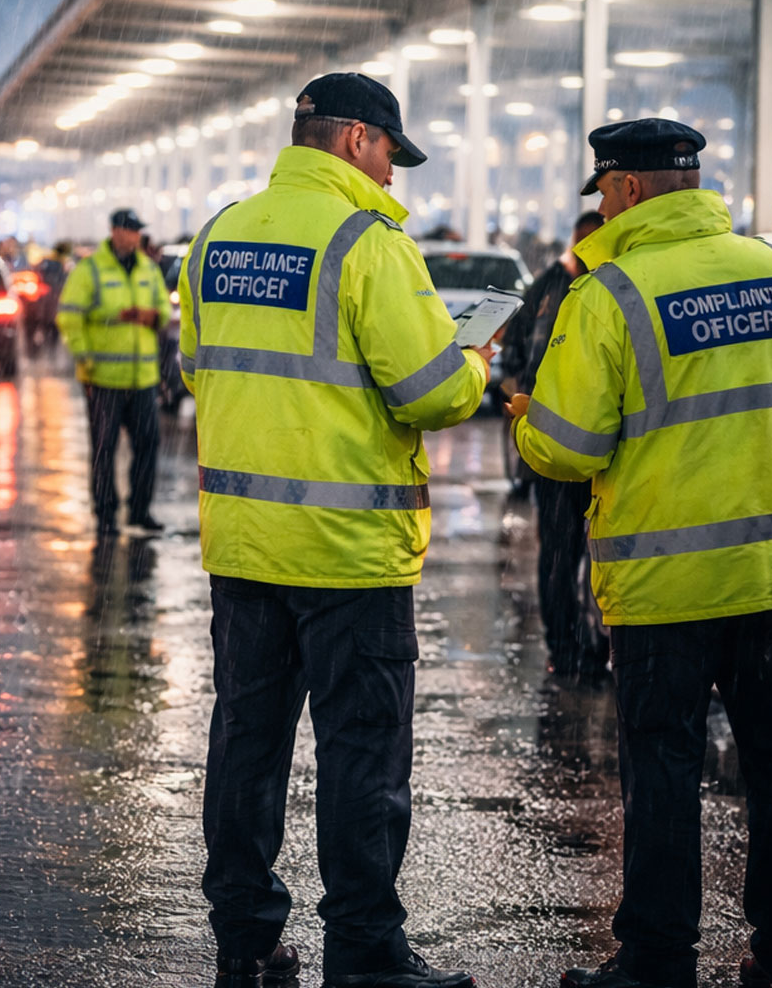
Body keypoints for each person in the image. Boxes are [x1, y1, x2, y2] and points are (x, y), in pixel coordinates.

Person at [178, 71, 488, 988]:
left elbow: (200, 366)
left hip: (245, 546)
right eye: (390, 154)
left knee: (247, 745)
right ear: (357, 140)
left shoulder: (219, 235)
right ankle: (365, 952)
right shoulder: (368, 243)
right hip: (351, 554)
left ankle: (245, 939)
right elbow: (432, 393)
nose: (392, 175)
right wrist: (473, 360)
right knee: (361, 760)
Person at [508, 118, 772, 988]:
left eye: (606, 192)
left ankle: (656, 962)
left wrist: (530, 422)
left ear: (628, 189)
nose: (605, 208)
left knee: (663, 776)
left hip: (666, 585)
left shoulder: (609, 295)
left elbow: (569, 447)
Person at [499, 208, 607, 677]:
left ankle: (590, 646)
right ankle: (566, 649)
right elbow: (515, 351)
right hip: (558, 454)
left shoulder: (609, 290)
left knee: (593, 556)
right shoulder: (552, 288)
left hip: (595, 455)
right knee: (562, 556)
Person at [56, 207, 173, 535]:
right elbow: (69, 316)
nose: (135, 236)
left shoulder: (148, 269)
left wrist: (153, 316)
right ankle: (106, 515)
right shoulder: (90, 270)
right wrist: (86, 359)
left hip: (142, 379)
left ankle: (140, 511)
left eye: (137, 231)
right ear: (115, 232)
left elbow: (164, 309)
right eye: (130, 230)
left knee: (148, 445)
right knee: (103, 451)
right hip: (103, 379)